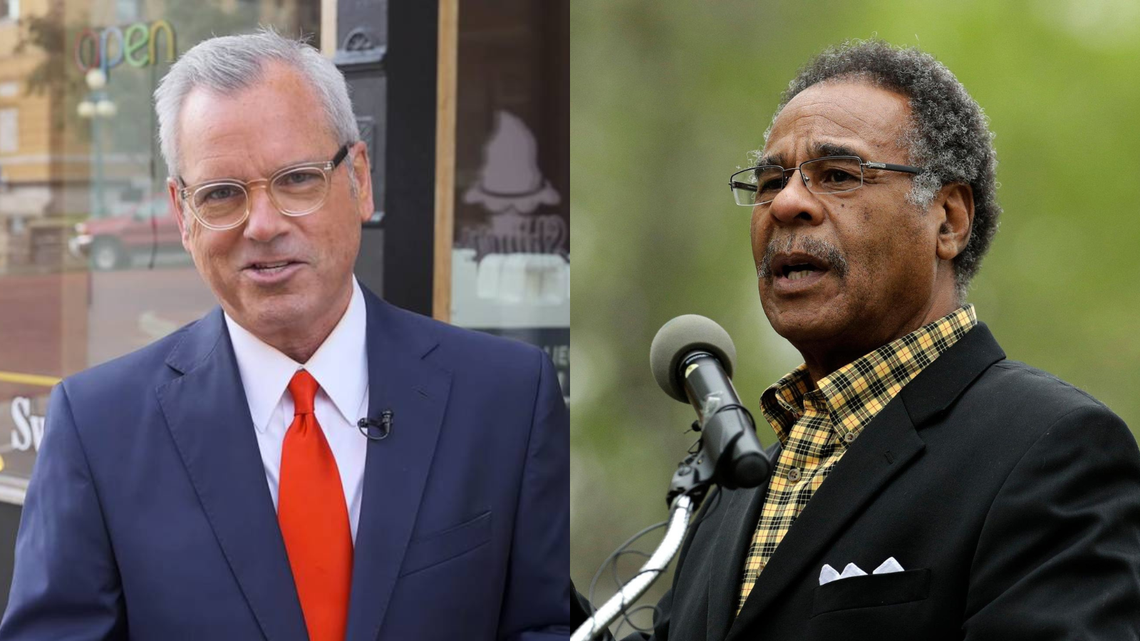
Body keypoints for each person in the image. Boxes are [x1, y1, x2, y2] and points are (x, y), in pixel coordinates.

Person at [0, 30, 569, 641]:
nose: (264, 225)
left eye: (297, 179)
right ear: (182, 215)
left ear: (359, 180)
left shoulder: (508, 397)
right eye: (221, 194)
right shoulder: (97, 427)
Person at [573, 40, 1140, 639]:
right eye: (769, 181)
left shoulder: (1050, 446)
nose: (787, 203)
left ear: (948, 219)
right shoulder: (736, 489)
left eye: (839, 175)